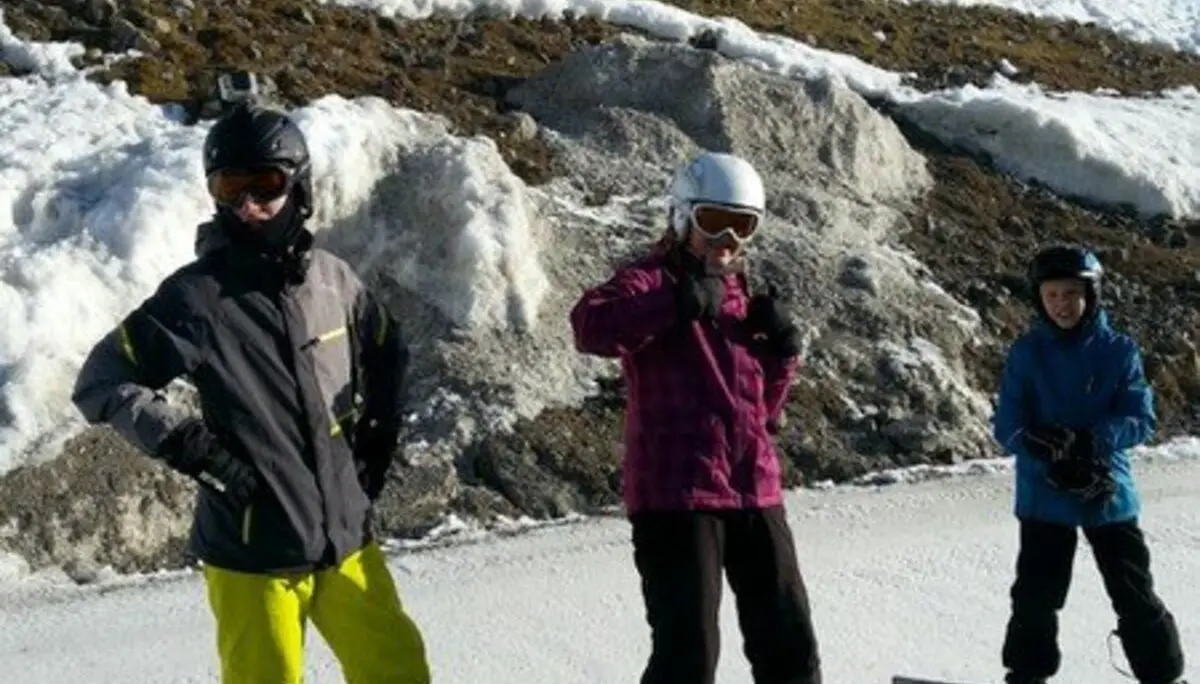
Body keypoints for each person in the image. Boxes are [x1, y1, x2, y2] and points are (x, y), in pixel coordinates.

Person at [71, 101, 431, 684]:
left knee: (399, 672)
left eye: (264, 186)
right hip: (252, 547)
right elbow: (102, 379)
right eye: (230, 187)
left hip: (345, 536)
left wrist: (380, 429)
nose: (247, 207)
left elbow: (387, 344)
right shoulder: (197, 300)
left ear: (300, 186)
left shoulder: (332, 280)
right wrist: (192, 447)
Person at [569, 150, 821, 684]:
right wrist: (675, 303)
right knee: (689, 654)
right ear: (683, 217)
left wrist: (782, 355)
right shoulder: (649, 279)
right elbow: (590, 327)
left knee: (790, 646)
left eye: (742, 225)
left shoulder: (744, 298)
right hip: (675, 495)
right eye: (713, 222)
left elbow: (763, 413)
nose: (726, 239)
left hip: (753, 487)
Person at [992, 244, 1187, 684]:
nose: (1063, 304)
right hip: (1043, 493)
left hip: (1107, 492)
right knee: (1035, 596)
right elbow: (1007, 421)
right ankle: (1027, 675)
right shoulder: (1027, 352)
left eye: (1072, 293)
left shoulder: (1118, 350)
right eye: (1053, 295)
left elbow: (1141, 418)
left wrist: (1091, 439)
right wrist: (1033, 442)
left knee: (1132, 591)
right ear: (1040, 299)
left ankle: (1164, 676)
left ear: (1092, 295)